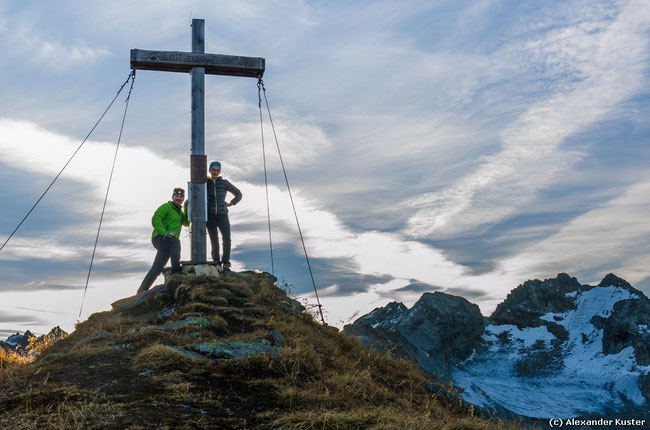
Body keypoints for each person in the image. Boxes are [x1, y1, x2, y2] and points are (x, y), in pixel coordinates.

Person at [138, 187, 190, 293]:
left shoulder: (180, 213)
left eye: (181, 196)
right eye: (176, 196)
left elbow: (186, 223)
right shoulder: (167, 207)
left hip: (168, 244)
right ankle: (176, 271)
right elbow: (155, 219)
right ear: (172, 197)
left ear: (183, 198)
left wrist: (186, 207)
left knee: (157, 268)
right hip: (160, 238)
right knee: (176, 241)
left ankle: (141, 291)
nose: (179, 198)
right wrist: (165, 233)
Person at [206, 161, 242, 271]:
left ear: (219, 171)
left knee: (227, 239)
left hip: (223, 215)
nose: (215, 172)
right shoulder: (205, 182)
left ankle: (226, 263)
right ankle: (216, 263)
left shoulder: (224, 183)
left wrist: (232, 203)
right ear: (210, 170)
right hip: (210, 215)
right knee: (214, 240)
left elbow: (239, 194)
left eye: (217, 170)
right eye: (213, 170)